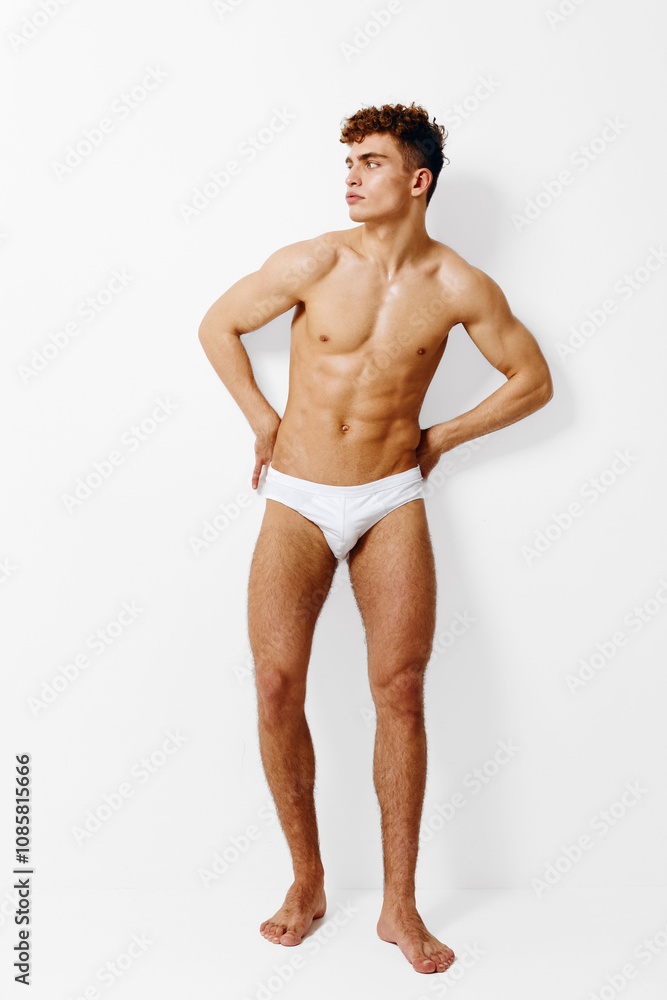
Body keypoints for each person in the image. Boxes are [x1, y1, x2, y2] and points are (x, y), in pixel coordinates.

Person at [198, 101, 553, 975]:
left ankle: (399, 906)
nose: (350, 176)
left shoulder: (457, 285)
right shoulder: (315, 258)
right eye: (347, 162)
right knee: (278, 684)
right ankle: (307, 882)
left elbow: (531, 380)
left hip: (391, 496)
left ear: (417, 180)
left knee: (399, 689)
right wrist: (263, 420)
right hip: (296, 496)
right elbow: (218, 324)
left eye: (368, 163)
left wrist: (439, 440)